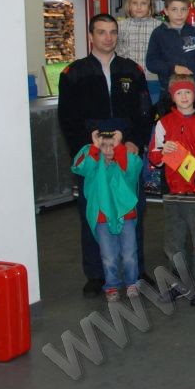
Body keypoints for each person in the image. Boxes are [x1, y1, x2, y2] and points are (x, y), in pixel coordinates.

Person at [58, 13, 153, 297]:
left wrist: (135, 140)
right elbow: (67, 118)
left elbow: (145, 112)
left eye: (112, 32)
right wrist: (88, 147)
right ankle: (97, 274)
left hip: (126, 154)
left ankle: (136, 271)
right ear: (91, 35)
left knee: (132, 213)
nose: (108, 37)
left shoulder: (132, 70)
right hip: (93, 156)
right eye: (102, 32)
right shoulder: (73, 73)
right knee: (93, 215)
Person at [148, 75, 195, 306]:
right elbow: (153, 159)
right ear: (172, 96)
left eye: (188, 92)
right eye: (179, 93)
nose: (184, 97)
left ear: (194, 94)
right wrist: (162, 152)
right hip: (171, 194)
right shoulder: (163, 123)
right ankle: (176, 284)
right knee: (173, 242)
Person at [71, 128, 143, 302]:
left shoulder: (125, 162)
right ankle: (111, 285)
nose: (109, 150)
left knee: (129, 253)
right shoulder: (94, 167)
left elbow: (134, 167)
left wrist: (120, 146)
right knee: (108, 255)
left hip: (126, 216)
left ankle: (132, 282)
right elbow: (80, 166)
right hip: (102, 218)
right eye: (104, 146)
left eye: (112, 146)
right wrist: (95, 147)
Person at [145, 0, 195, 114]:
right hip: (168, 94)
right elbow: (151, 62)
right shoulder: (158, 34)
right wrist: (173, 69)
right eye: (174, 9)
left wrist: (193, 82)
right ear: (166, 11)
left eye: (183, 9)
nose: (179, 14)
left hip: (193, 93)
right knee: (169, 131)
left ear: (188, 10)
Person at [116, 0, 163, 104]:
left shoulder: (159, 27)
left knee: (153, 110)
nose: (139, 7)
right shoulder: (120, 26)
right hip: (127, 77)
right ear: (128, 5)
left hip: (152, 78)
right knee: (129, 110)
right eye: (135, 3)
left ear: (150, 6)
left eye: (143, 3)